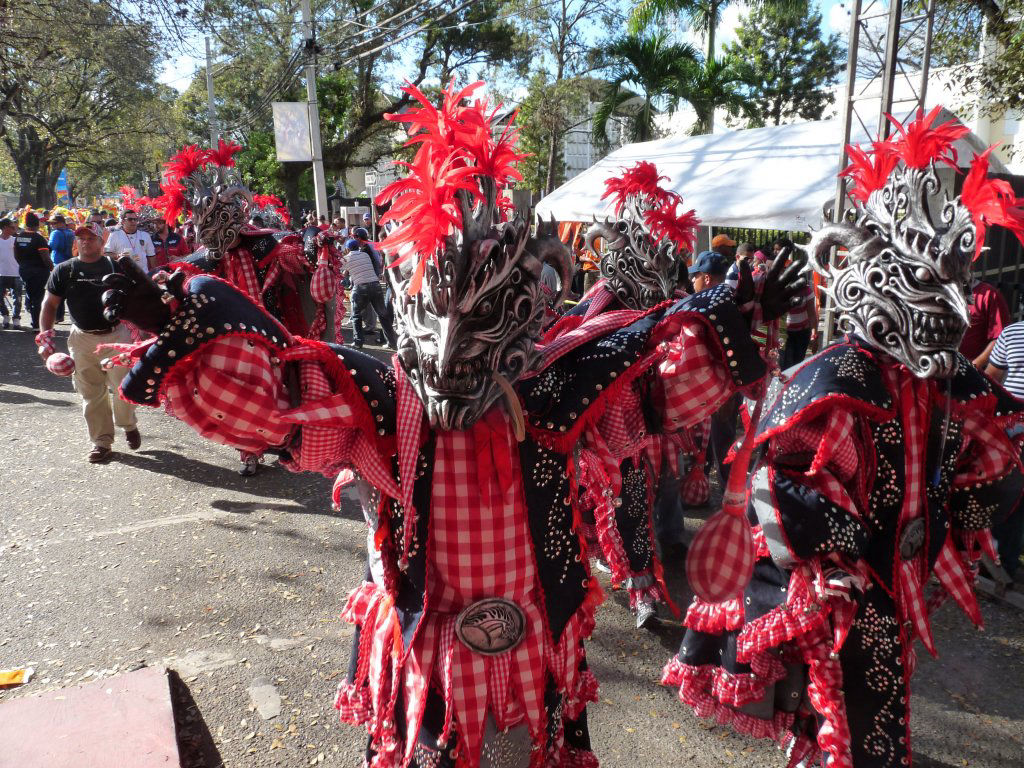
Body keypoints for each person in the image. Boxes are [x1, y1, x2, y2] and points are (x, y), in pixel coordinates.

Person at [99, 82, 804, 764]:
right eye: (442, 326)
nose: (456, 356)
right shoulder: (378, 399)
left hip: (536, 628)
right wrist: (173, 320)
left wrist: (739, 316)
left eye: (484, 329)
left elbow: (645, 402)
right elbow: (279, 404)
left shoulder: (554, 391)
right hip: (427, 642)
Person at [664, 109, 1024, 768]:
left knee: (870, 695)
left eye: (955, 287)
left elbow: (997, 458)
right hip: (845, 583)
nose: (947, 308)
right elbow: (779, 486)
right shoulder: (832, 376)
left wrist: (947, 525)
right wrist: (847, 552)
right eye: (926, 285)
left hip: (903, 573)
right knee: (851, 705)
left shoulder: (942, 376)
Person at [37, 224, 140, 463]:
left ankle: (128, 424)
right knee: (91, 393)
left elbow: (137, 298)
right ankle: (101, 442)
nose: (85, 241)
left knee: (124, 387)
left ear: (102, 240)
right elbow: (49, 305)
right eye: (80, 238)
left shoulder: (116, 267)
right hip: (82, 338)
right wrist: (45, 339)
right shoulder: (64, 270)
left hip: (117, 336)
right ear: (76, 242)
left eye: (91, 237)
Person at [986, 322, 1024, 581]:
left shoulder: (1012, 332)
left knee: (1009, 496)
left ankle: (1003, 562)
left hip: (1012, 429)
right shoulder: (1011, 333)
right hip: (1012, 430)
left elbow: (991, 380)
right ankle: (1004, 562)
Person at [343, 237, 396, 349]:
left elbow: (343, 273)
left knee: (356, 315)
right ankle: (392, 342)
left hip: (360, 287)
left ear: (347, 249)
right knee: (383, 315)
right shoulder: (365, 255)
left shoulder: (346, 258)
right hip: (375, 285)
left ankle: (358, 342)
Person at [959, 276, 1009, 369]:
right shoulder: (935, 292)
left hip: (972, 372)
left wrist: (973, 367)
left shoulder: (989, 294)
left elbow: (1000, 339)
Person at [14, 211, 52, 329]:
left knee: (30, 296)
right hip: (39, 272)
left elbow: (16, 255)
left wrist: (24, 265)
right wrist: (52, 268)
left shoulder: (19, 237)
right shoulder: (39, 238)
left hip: (25, 270)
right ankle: (37, 324)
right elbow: (45, 257)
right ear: (36, 225)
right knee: (39, 298)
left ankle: (34, 322)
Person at [0, 217, 22, 329]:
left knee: (17, 298)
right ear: (4, 228)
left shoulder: (15, 240)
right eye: (12, 227)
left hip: (16, 273)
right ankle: (5, 316)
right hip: (1, 274)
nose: (14, 229)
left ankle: (16, 318)